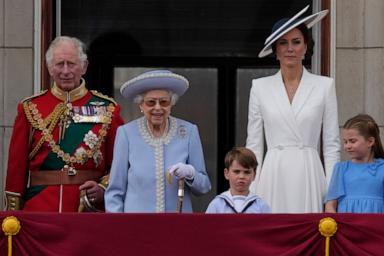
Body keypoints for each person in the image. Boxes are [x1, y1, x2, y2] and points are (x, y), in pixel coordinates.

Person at [4, 36, 124, 212]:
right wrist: (12, 216)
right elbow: (16, 169)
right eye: (60, 64)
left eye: (72, 64)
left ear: (84, 67)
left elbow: (120, 163)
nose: (66, 71)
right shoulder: (30, 108)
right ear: (49, 68)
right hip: (40, 208)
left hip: (87, 209)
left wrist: (104, 188)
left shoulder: (108, 109)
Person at [246, 5, 340, 213]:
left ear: (306, 47)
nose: (290, 48)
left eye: (296, 42)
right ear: (276, 50)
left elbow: (332, 146)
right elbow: (253, 146)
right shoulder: (259, 87)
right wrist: (251, 192)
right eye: (283, 43)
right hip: (273, 173)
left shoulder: (325, 86)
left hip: (309, 172)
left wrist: (331, 196)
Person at [105, 69, 211, 212]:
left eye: (164, 102)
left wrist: (192, 174)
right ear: (141, 105)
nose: (157, 108)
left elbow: (204, 187)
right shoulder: (126, 133)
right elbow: (115, 190)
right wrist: (119, 227)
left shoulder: (189, 132)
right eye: (150, 102)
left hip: (176, 225)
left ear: (171, 104)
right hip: (137, 225)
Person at [325, 114, 384, 213]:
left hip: (376, 225)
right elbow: (330, 205)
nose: (347, 146)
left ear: (370, 141)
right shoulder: (341, 168)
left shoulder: (382, 168)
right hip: (347, 225)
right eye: (345, 142)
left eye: (352, 141)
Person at [206, 147, 270, 213]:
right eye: (236, 171)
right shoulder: (216, 205)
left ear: (254, 175)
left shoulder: (261, 206)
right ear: (226, 173)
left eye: (247, 172)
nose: (241, 176)